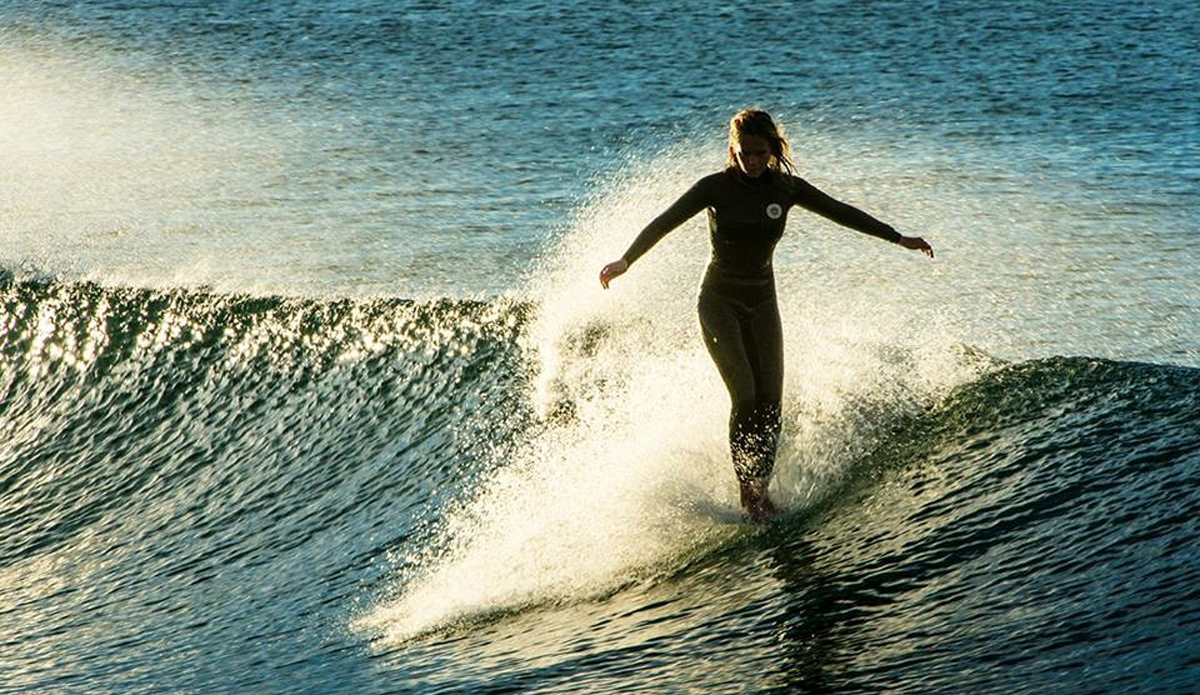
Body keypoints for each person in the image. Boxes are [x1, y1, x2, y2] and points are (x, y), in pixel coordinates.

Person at [599, 108, 933, 521]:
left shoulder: (786, 189)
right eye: (745, 153)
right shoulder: (714, 188)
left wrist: (898, 238)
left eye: (760, 153)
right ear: (733, 150)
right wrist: (626, 260)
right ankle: (747, 495)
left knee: (771, 403)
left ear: (772, 150)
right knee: (745, 395)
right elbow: (665, 222)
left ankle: (762, 489)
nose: (753, 162)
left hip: (762, 304)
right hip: (719, 302)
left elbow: (841, 211)